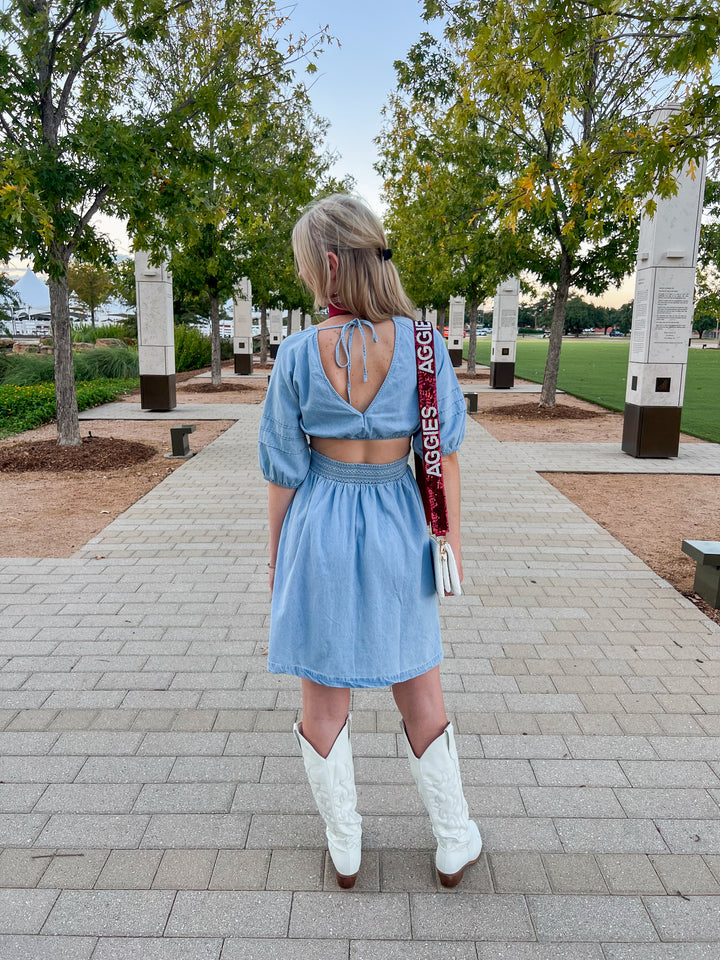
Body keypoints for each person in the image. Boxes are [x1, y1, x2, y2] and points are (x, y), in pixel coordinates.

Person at [258, 194, 481, 889]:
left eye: (306, 263)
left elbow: (284, 472)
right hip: (398, 525)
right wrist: (447, 543)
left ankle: (346, 844)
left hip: (319, 526)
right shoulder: (424, 346)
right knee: (420, 688)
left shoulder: (299, 354)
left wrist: (277, 560)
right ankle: (453, 839)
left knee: (323, 698)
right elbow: (442, 459)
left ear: (328, 263)